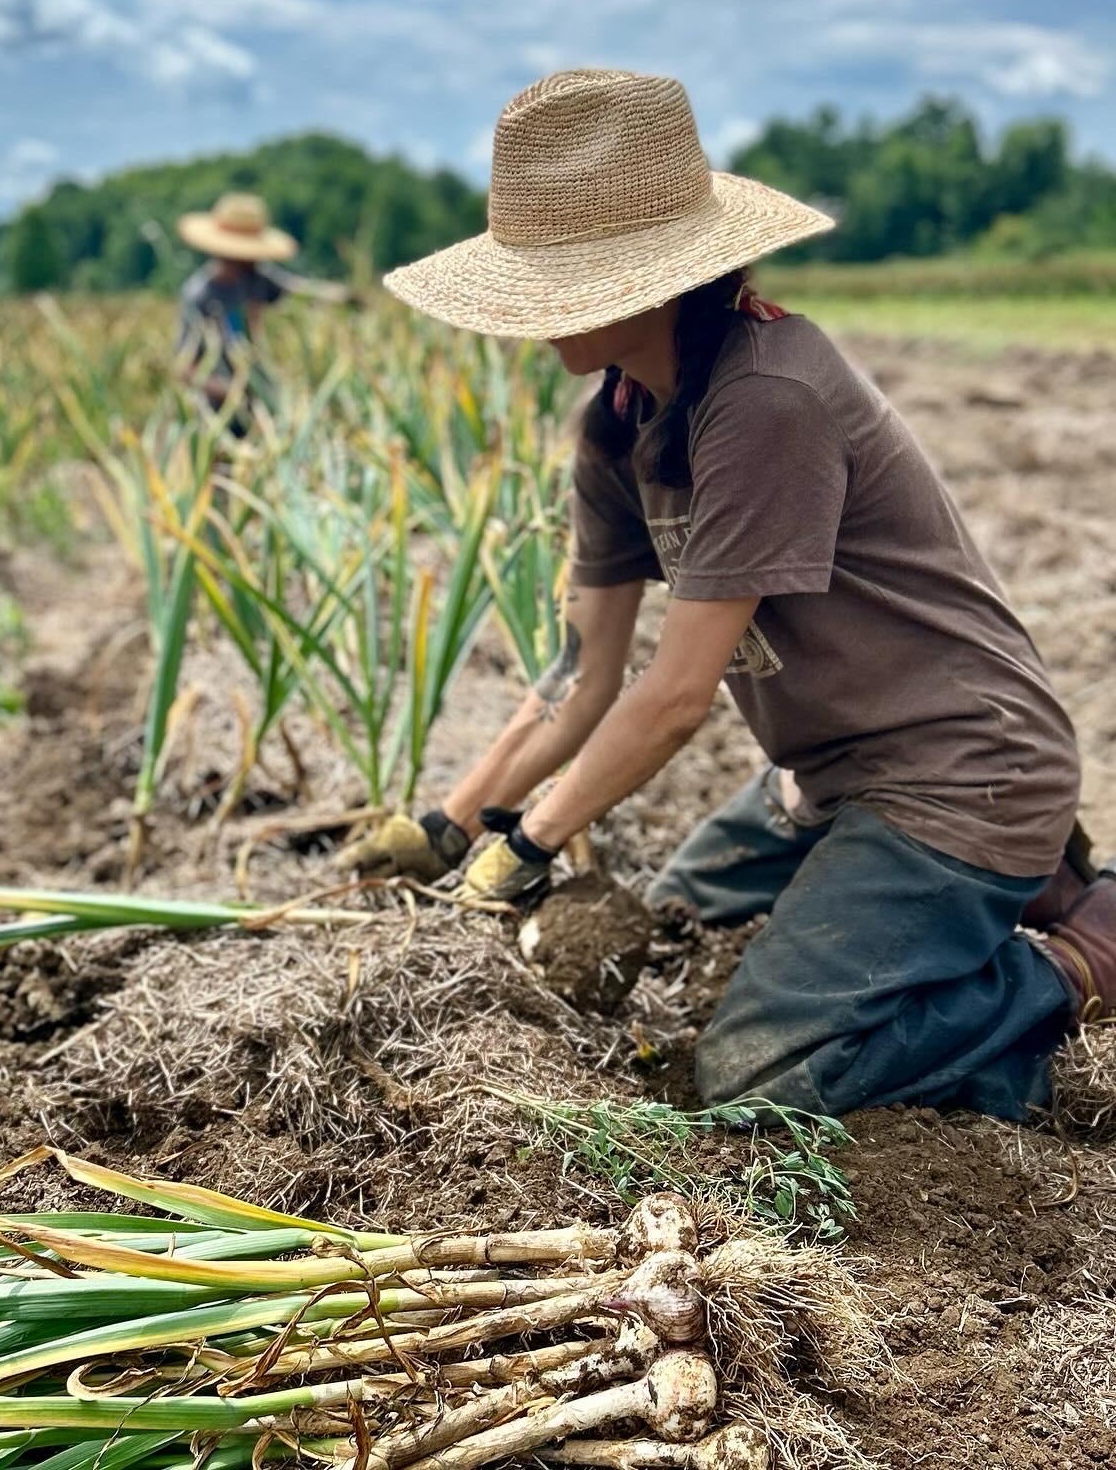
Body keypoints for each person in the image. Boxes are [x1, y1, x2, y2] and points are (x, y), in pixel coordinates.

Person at [336, 67, 1110, 1124]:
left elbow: (673, 696)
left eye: (561, 281)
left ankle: (1073, 959)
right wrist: (448, 823)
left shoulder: (766, 401)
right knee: (669, 927)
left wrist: (529, 844)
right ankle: (1008, 889)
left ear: (653, 281)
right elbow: (583, 674)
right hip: (830, 769)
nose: (532, 319)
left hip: (959, 769)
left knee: (760, 1077)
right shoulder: (618, 424)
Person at [175, 191, 350, 422]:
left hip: (262, 398)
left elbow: (298, 291)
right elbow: (185, 369)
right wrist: (233, 393)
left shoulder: (256, 277)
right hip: (215, 411)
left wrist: (344, 297)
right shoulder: (199, 295)